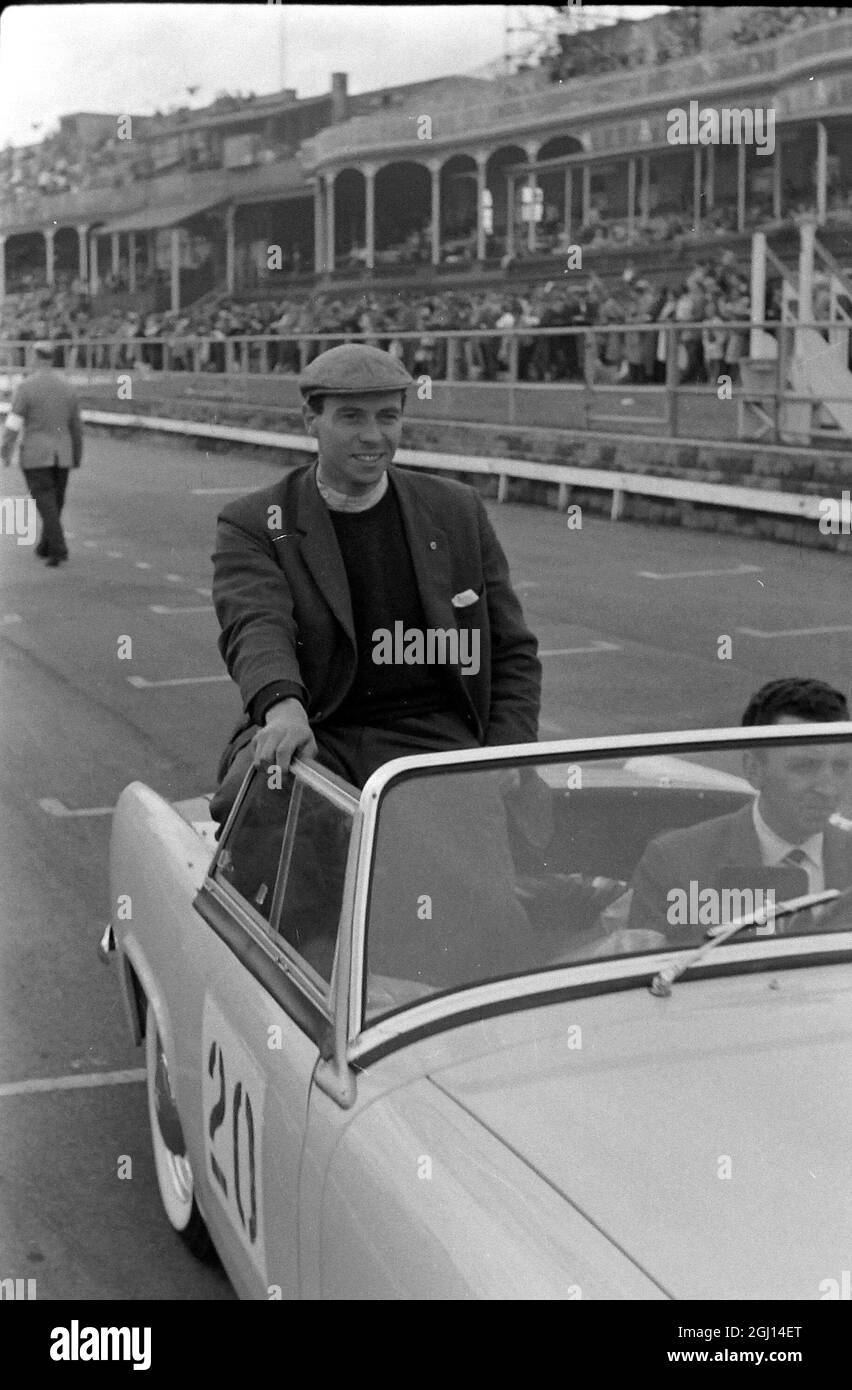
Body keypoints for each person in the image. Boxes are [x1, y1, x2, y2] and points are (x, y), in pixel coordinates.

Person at [209, 341, 542, 824]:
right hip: (319, 729)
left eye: (387, 417)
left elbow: (512, 650)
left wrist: (507, 749)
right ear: (311, 419)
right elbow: (256, 625)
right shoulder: (257, 521)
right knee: (276, 827)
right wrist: (283, 710)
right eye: (351, 418)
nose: (373, 436)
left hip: (434, 738)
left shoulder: (456, 509)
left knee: (472, 885)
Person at [627, 679, 852, 941]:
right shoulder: (674, 863)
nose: (828, 789)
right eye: (804, 766)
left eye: (840, 767)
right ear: (754, 769)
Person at [0, 339, 83, 565]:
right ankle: (46, 545)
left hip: (35, 454)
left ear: (35, 358)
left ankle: (58, 548)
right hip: (62, 453)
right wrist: (76, 455)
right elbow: (76, 426)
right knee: (56, 501)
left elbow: (14, 423)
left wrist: (5, 451)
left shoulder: (26, 388)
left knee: (45, 500)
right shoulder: (68, 387)